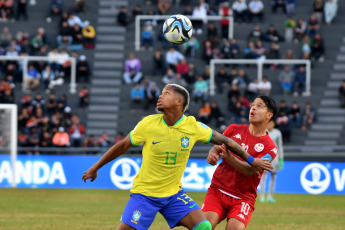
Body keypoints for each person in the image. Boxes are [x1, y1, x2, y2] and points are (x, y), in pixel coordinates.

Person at [82, 84, 272, 230]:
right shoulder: (148, 124)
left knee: (204, 226)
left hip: (173, 196)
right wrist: (95, 167)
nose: (160, 96)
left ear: (179, 101)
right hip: (145, 196)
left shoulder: (193, 127)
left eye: (166, 93)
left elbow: (226, 141)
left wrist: (251, 160)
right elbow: (122, 145)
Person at [202, 95, 278, 230]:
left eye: (259, 106)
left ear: (269, 115)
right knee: (204, 226)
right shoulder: (233, 129)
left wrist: (229, 157)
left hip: (243, 198)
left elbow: (250, 170)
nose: (253, 107)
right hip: (218, 190)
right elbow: (218, 147)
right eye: (253, 104)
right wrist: (212, 153)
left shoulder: (270, 148)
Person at [260, 120, 284, 203]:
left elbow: (280, 146)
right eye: (268, 124)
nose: (270, 125)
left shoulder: (277, 133)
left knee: (273, 177)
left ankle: (270, 196)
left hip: (275, 157)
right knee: (263, 176)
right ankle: (262, 196)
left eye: (271, 124)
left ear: (274, 124)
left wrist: (281, 158)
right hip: (266, 157)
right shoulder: (263, 132)